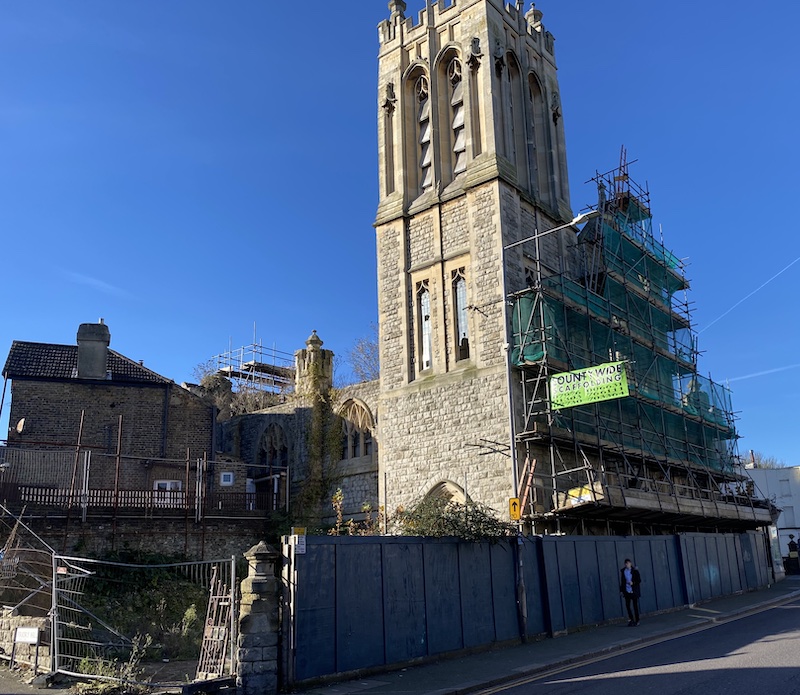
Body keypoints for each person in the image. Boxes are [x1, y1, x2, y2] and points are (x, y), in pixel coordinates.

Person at [619, 558, 641, 626]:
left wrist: (633, 583)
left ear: (630, 563)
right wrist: (621, 590)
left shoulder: (635, 571)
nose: (627, 564)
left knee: (635, 606)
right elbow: (622, 581)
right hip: (627, 591)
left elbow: (639, 580)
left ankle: (637, 620)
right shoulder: (624, 571)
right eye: (626, 563)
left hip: (633, 591)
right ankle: (631, 619)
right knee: (628, 606)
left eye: (628, 563)